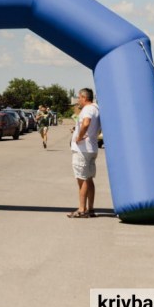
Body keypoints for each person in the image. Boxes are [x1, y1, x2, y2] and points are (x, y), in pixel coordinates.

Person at [67, 88, 101, 218]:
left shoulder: (87, 109)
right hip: (91, 148)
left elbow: (86, 123)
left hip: (83, 149)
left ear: (84, 97)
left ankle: (82, 209)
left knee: (82, 180)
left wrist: (79, 136)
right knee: (89, 179)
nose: (78, 100)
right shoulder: (96, 108)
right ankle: (90, 209)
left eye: (79, 98)